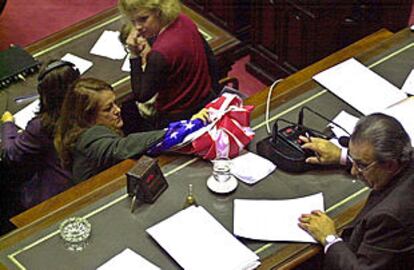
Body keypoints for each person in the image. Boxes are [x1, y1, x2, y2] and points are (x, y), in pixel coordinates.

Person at [297, 113, 414, 269]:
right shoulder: (403, 158)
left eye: (361, 165)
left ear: (390, 165)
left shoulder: (390, 217)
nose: (353, 171)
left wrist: (329, 238)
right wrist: (341, 156)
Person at [54, 78, 209, 183]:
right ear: (88, 116)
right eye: (108, 109)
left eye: (115, 103)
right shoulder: (89, 139)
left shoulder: (80, 127)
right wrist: (180, 130)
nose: (117, 110)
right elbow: (120, 148)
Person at [118, 0, 220, 133]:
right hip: (207, 100)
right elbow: (210, 59)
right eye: (133, 21)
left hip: (178, 119)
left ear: (160, 12)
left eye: (143, 19)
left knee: (129, 113)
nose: (137, 27)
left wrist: (134, 55)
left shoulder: (160, 53)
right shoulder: (184, 20)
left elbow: (141, 95)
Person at [0, 60, 79, 209]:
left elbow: (11, 154)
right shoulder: (90, 106)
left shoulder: (41, 126)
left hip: (57, 195)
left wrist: (7, 124)